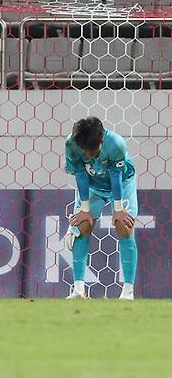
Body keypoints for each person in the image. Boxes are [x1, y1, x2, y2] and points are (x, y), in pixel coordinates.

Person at [64, 116, 138, 300]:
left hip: (122, 182)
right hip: (92, 185)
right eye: (85, 149)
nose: (88, 154)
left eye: (92, 150)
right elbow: (80, 173)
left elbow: (116, 175)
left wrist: (119, 208)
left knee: (124, 225)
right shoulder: (71, 143)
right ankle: (78, 290)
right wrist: (85, 208)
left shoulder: (116, 144)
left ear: (101, 140)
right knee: (82, 226)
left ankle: (128, 292)